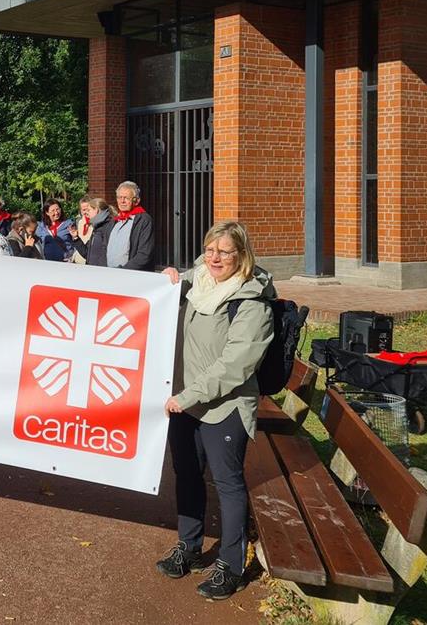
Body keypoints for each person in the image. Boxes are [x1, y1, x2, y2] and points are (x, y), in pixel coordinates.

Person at [157, 220, 275, 601]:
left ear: (241, 255)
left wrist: (188, 396)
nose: (214, 258)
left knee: (228, 484)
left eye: (224, 252)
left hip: (224, 405)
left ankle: (231, 565)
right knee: (187, 474)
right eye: (210, 249)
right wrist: (168, 278)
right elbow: (164, 292)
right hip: (187, 402)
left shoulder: (251, 301)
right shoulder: (197, 283)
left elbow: (235, 365)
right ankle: (189, 547)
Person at [107, 181, 156, 271]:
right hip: (110, 274)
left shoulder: (144, 220)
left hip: (131, 276)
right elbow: (104, 247)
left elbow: (145, 254)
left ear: (136, 201)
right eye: (119, 197)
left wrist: (123, 271)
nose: (122, 201)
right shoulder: (114, 220)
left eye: (126, 198)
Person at [71, 196, 114, 267]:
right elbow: (86, 253)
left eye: (89, 210)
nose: (87, 213)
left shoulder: (107, 227)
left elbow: (106, 256)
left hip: (100, 273)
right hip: (91, 271)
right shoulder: (96, 228)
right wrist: (76, 238)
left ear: (96, 210)